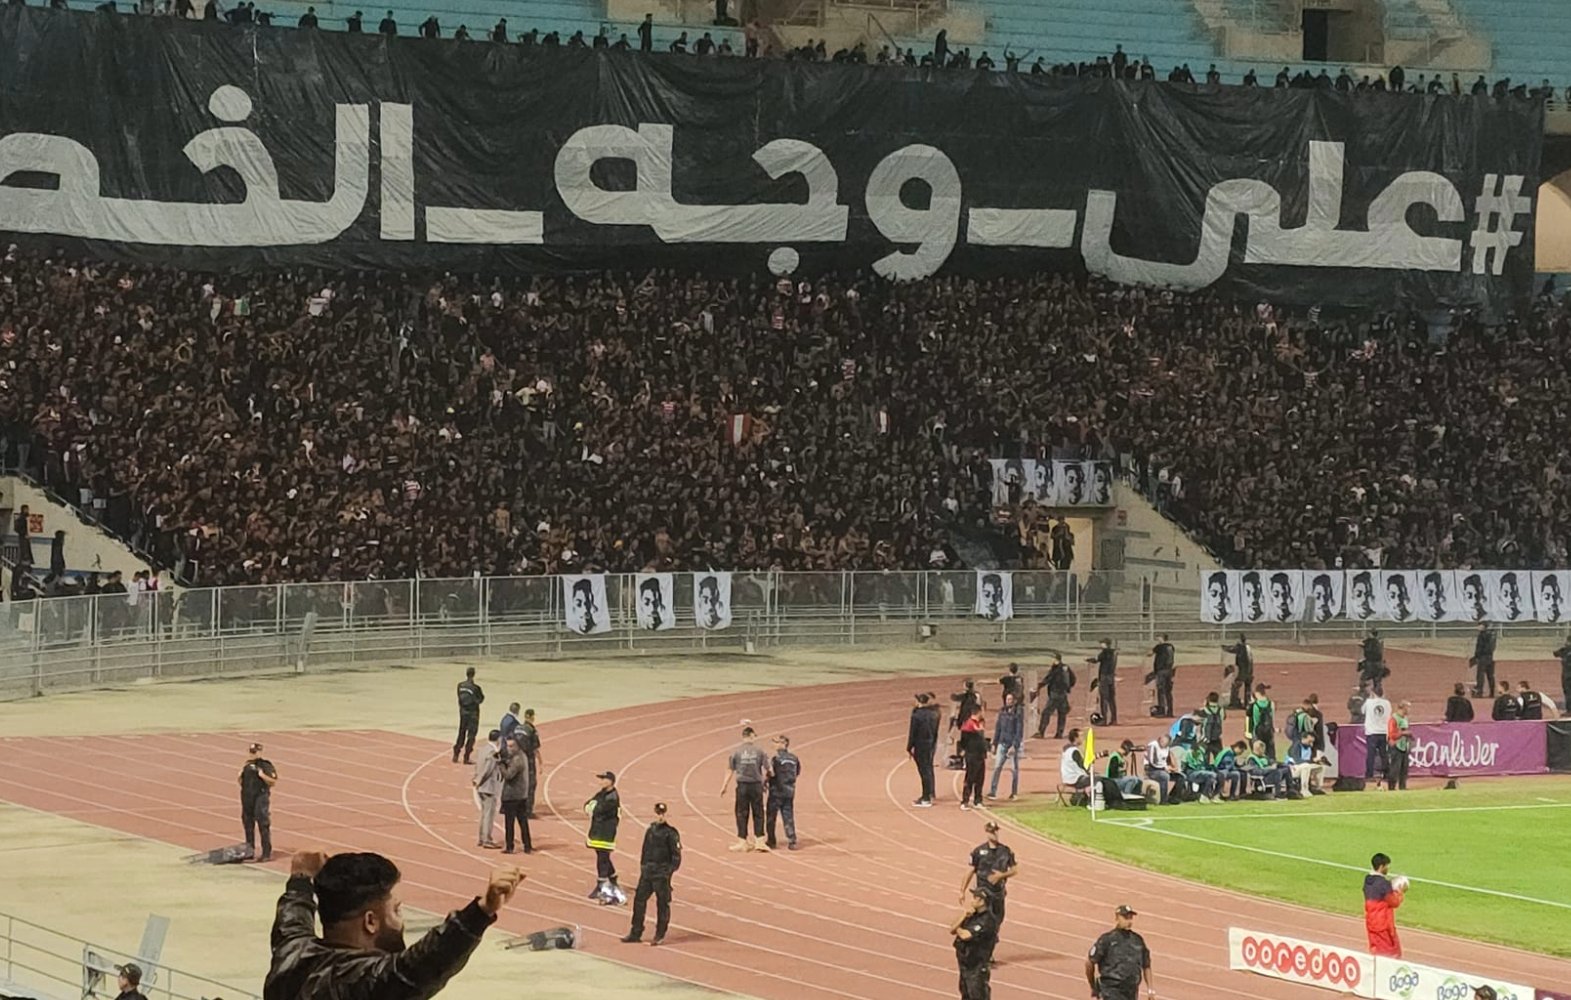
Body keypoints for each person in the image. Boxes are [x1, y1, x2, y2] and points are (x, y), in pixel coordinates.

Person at [263, 848, 523, 1000]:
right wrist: (482, 911)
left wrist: (300, 878)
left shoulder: (291, 953)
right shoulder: (359, 981)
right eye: (396, 910)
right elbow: (422, 965)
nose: (401, 921)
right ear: (371, 922)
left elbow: (292, 919)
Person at [622, 801, 681, 946]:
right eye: (658, 814)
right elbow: (645, 850)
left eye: (663, 814)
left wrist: (668, 873)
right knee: (639, 900)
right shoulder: (650, 830)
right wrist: (643, 867)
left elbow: (676, 856)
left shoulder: (671, 833)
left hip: (661, 874)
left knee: (662, 904)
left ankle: (659, 934)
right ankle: (636, 932)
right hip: (648, 872)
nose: (660, 817)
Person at [1085, 904, 1154, 1000]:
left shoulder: (1137, 940)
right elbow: (1090, 962)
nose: (1129, 921)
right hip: (1111, 989)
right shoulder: (1107, 940)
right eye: (1125, 917)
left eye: (1130, 918)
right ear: (1117, 918)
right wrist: (1093, 985)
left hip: (1131, 991)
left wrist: (1150, 989)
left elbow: (1146, 965)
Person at [960, 821, 1017, 930]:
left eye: (995, 831)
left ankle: (991, 939)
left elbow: (1014, 870)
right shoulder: (978, 851)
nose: (994, 834)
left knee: (997, 920)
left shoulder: (1005, 851)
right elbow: (970, 870)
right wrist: (962, 891)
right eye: (991, 832)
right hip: (982, 892)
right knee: (980, 919)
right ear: (987, 833)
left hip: (998, 892)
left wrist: (1002, 875)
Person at [720, 726, 770, 851]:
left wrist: (724, 785)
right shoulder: (760, 751)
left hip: (742, 785)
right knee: (758, 813)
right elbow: (768, 768)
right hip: (756, 785)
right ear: (752, 736)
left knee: (741, 813)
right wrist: (767, 780)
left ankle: (742, 841)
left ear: (743, 737)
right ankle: (759, 841)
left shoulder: (736, 752)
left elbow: (730, 769)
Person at [950, 889, 998, 1000]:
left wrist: (958, 928)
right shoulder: (972, 915)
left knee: (977, 995)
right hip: (966, 964)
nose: (972, 900)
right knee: (965, 994)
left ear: (982, 901)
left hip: (977, 965)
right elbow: (952, 928)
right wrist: (964, 916)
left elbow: (965, 935)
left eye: (976, 898)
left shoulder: (987, 920)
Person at [587, 771, 625, 904]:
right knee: (602, 856)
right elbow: (588, 804)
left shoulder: (612, 797)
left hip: (605, 832)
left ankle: (602, 885)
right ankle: (613, 878)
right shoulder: (602, 793)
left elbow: (598, 809)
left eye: (603, 779)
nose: (601, 781)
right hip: (598, 831)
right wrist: (591, 806)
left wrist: (593, 807)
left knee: (602, 858)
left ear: (610, 781)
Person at [1363, 852, 1406, 957]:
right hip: (1383, 924)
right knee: (1390, 953)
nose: (1388, 868)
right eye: (1387, 866)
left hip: (1371, 922)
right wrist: (1400, 892)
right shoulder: (1384, 884)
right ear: (1381, 867)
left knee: (1375, 952)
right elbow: (1394, 902)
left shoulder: (1367, 880)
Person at [240, 742, 278, 862]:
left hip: (260, 797)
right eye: (251, 752)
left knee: (263, 823)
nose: (252, 754)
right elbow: (242, 782)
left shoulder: (265, 765)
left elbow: (273, 781)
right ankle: (249, 852)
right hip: (247, 797)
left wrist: (262, 776)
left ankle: (266, 852)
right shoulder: (246, 765)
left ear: (260, 752)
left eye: (255, 752)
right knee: (248, 824)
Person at [765, 734, 801, 850]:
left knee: (771, 816)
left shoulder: (776, 759)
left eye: (776, 742)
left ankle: (771, 840)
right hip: (789, 790)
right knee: (788, 815)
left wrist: (765, 782)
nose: (774, 744)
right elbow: (797, 772)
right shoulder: (794, 758)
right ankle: (792, 840)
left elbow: (771, 773)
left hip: (776, 791)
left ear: (783, 744)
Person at [498, 735, 532, 854]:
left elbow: (508, 775)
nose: (509, 748)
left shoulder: (517, 759)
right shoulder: (521, 756)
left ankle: (510, 846)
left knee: (510, 823)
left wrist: (500, 764)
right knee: (523, 822)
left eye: (511, 746)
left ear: (517, 745)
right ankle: (527, 845)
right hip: (521, 795)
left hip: (512, 796)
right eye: (508, 745)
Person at [987, 693, 1024, 800]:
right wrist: (994, 743)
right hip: (1002, 743)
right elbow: (998, 728)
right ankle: (993, 792)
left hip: (1012, 745)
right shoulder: (1002, 712)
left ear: (1015, 701)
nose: (1009, 701)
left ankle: (1014, 793)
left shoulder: (1018, 713)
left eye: (1011, 699)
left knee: (1014, 770)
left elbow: (1019, 731)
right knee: (997, 767)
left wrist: (1014, 745)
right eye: (1007, 699)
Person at [908, 692, 941, 806]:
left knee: (924, 771)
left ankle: (926, 797)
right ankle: (930, 793)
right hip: (930, 743)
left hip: (920, 745)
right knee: (928, 769)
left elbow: (913, 732)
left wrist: (909, 747)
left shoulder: (917, 715)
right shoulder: (934, 713)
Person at [1031, 656, 1075, 739]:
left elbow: (1048, 679)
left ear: (1055, 660)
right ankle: (1059, 733)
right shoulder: (1066, 668)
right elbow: (1073, 679)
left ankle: (1041, 732)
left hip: (1055, 694)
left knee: (1046, 713)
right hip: (1063, 694)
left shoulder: (1055, 669)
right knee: (1062, 714)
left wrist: (1039, 686)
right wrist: (1068, 688)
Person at [472, 730, 502, 849]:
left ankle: (481, 837)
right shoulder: (492, 752)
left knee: (484, 814)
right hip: (488, 787)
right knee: (489, 815)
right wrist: (479, 780)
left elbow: (477, 766)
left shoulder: (482, 749)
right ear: (498, 739)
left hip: (481, 787)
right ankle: (486, 839)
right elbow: (488, 770)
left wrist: (476, 778)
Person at [958, 707, 988, 810]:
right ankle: (964, 801)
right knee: (970, 778)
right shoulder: (968, 725)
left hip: (980, 755)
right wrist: (965, 752)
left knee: (980, 778)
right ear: (978, 712)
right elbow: (963, 741)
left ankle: (978, 800)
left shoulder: (980, 723)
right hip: (972, 755)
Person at [453, 667, 483, 764]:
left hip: (463, 713)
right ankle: (466, 756)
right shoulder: (476, 688)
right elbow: (480, 699)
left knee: (461, 733)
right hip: (473, 714)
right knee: (471, 735)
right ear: (473, 674)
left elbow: (459, 697)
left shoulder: (460, 685)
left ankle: (456, 753)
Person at [517, 709, 542, 818]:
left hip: (517, 759)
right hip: (528, 761)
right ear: (531, 717)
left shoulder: (517, 728)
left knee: (518, 784)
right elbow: (535, 748)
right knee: (530, 785)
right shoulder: (531, 730)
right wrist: (540, 762)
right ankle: (528, 811)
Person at [1363, 685, 1391, 782]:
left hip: (1372, 732)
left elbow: (1362, 711)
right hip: (1383, 732)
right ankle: (1387, 775)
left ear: (1373, 693)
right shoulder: (1387, 703)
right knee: (1384, 754)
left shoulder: (1369, 702)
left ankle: (1369, 775)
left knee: (1371, 754)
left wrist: (1370, 698)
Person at [1088, 638, 1118, 725]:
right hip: (1111, 676)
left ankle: (1104, 720)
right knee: (1111, 699)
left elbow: (1096, 660)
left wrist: (1088, 660)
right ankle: (1114, 719)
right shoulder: (1113, 653)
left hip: (1104, 676)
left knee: (1104, 698)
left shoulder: (1104, 652)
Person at [1386, 701, 1412, 791]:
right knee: (1395, 769)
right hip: (1396, 746)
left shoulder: (1405, 718)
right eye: (1408, 708)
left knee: (1404, 769)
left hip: (1404, 746)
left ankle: (1402, 787)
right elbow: (1392, 734)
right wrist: (1403, 733)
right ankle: (1391, 788)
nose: (1409, 710)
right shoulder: (1393, 719)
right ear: (1403, 708)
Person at [1222, 634, 1253, 708]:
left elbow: (1232, 649)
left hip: (1243, 671)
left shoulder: (1240, 647)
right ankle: (1247, 702)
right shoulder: (1248, 647)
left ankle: (1234, 703)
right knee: (1247, 687)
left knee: (1235, 686)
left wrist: (1224, 648)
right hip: (1249, 670)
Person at [1247, 684, 1276, 761]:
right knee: (1270, 750)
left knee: (1258, 750)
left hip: (1258, 731)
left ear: (1257, 693)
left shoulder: (1255, 705)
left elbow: (1256, 720)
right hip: (1269, 730)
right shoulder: (1271, 703)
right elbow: (1272, 717)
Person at [1149, 634, 1175, 717]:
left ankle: (1162, 710)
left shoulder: (1159, 647)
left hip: (1161, 671)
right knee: (1168, 692)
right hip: (1169, 670)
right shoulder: (1171, 647)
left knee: (1161, 691)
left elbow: (1150, 653)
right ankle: (1170, 711)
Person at [1470, 622, 1498, 697]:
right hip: (1490, 657)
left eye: (1480, 626)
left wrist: (1476, 656)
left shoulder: (1482, 635)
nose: (1478, 627)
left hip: (1483, 657)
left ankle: (1479, 692)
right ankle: (1492, 692)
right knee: (1490, 675)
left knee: (1480, 675)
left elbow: (1480, 647)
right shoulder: (1492, 635)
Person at [1359, 629, 1388, 696]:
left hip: (1372, 664)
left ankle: (1363, 693)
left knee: (1364, 678)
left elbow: (1371, 651)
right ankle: (1378, 694)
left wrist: (1364, 646)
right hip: (1378, 664)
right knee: (1377, 681)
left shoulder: (1373, 643)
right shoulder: (1377, 641)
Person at [1555, 633, 1571, 716]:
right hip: (1566, 674)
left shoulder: (1565, 650)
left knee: (1568, 693)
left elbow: (1555, 653)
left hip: (1567, 675)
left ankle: (1569, 711)